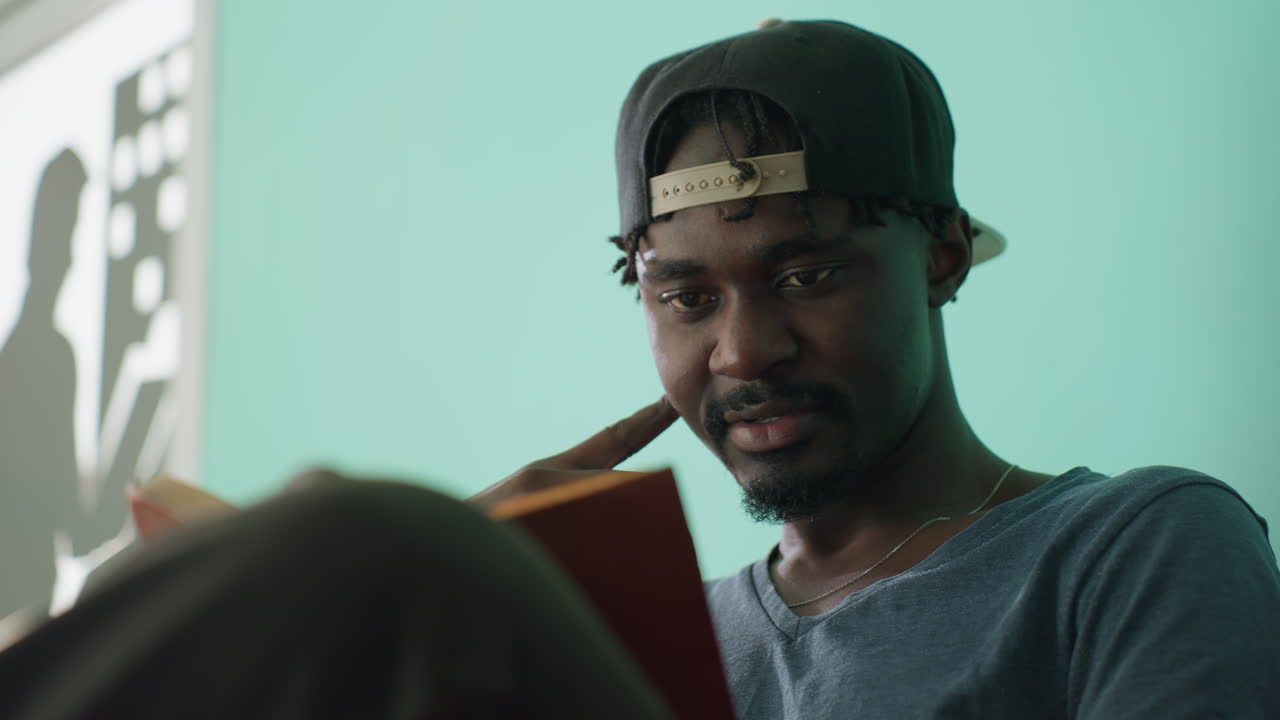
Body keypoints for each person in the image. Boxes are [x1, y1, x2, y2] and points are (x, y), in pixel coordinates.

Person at [1, 18, 1276, 720]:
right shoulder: (650, 634)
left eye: (805, 274)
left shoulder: (1133, 545)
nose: (741, 351)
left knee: (374, 547)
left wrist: (457, 587)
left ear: (941, 256)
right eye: (683, 294)